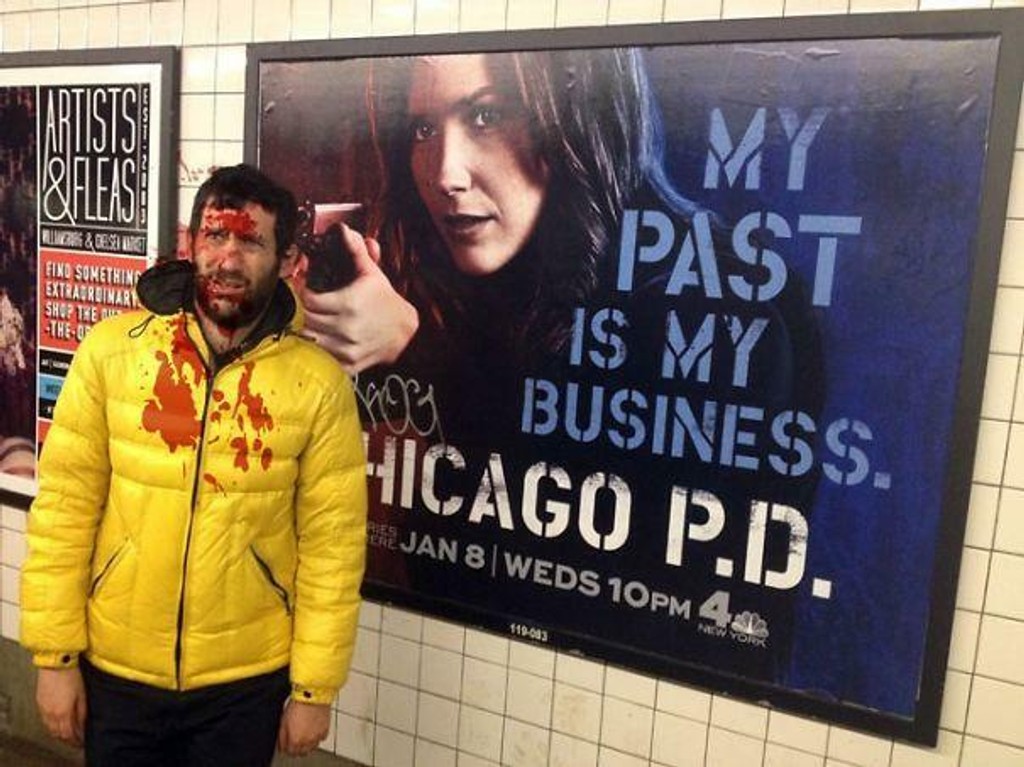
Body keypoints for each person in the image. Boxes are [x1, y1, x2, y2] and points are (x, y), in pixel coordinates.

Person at [20, 164, 368, 766]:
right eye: (215, 236)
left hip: (244, 684)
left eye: (250, 242)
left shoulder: (317, 386)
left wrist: (314, 689)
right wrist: (55, 658)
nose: (227, 260)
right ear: (189, 243)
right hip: (118, 669)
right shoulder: (113, 354)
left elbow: (332, 548)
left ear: (287, 260)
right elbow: (63, 510)